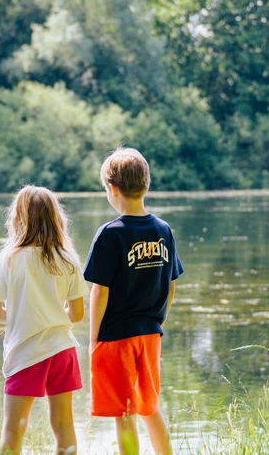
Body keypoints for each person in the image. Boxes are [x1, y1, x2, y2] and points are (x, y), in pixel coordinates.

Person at [84, 148, 182, 455]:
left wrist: (93, 338)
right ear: (147, 184)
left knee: (124, 414)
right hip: (150, 332)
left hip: (116, 337)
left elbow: (100, 292)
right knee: (150, 406)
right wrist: (159, 319)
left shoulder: (109, 234)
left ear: (113, 189)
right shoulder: (163, 230)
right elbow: (172, 282)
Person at [0, 186, 88, 455]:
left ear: (18, 219)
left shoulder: (9, 259)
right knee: (64, 423)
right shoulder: (68, 259)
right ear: (56, 218)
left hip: (26, 353)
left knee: (13, 428)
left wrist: (19, 318)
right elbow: (76, 314)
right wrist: (52, 317)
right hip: (62, 351)